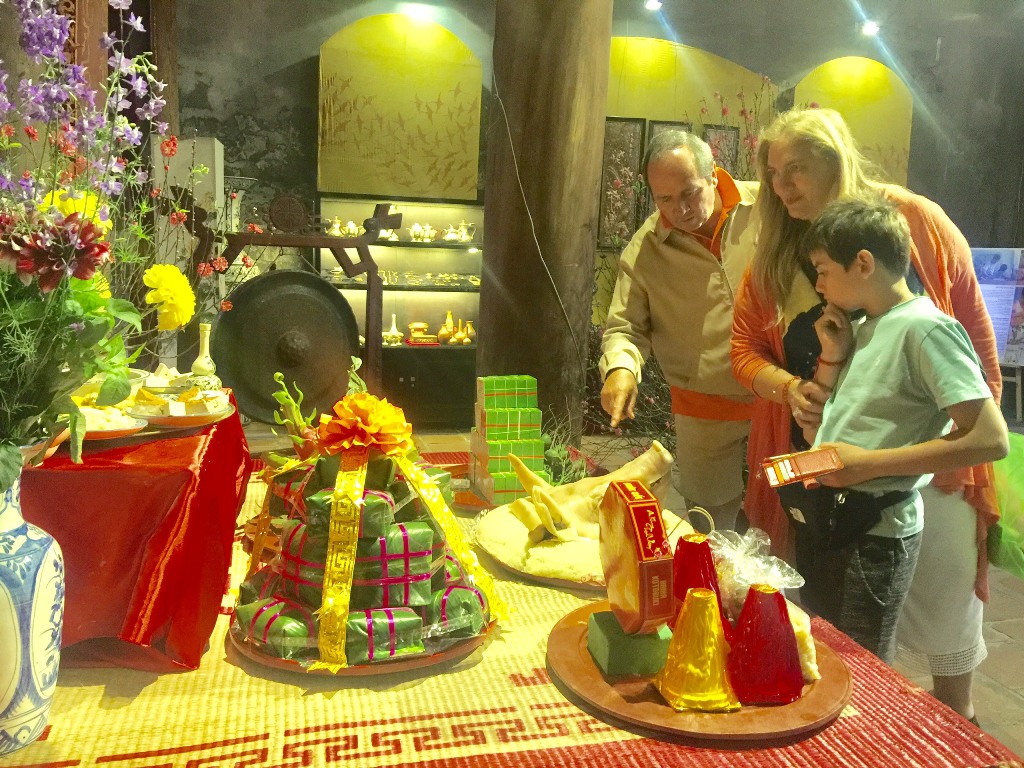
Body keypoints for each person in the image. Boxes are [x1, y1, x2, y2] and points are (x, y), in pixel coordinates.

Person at [730, 107, 1003, 721]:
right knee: (836, 631)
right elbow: (746, 349)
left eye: (796, 169)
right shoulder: (779, 248)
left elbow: (977, 362)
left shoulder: (913, 227)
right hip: (836, 477)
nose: (781, 186)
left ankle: (953, 733)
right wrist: (796, 391)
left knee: (936, 614)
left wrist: (931, 454)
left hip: (916, 468)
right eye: (772, 172)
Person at [792, 198, 1009, 663]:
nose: (819, 284)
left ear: (863, 263)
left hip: (875, 530)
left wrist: (865, 465)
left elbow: (990, 438)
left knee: (860, 666)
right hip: (837, 516)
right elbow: (843, 427)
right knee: (826, 654)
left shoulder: (926, 328)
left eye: (823, 270)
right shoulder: (866, 326)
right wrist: (833, 356)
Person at [600, 130, 758, 531]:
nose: (680, 210)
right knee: (709, 525)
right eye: (665, 199)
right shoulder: (647, 248)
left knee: (787, 513)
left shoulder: (765, 208)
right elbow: (624, 327)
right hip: (703, 403)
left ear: (713, 175)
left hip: (780, 395)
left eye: (689, 193)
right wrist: (620, 368)